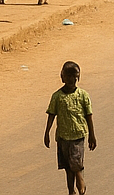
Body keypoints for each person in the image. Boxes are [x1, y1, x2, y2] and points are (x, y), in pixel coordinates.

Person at [44, 60, 96, 195]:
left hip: (78, 136)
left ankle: (80, 184)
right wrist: (47, 132)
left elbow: (89, 115)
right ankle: (70, 191)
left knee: (76, 164)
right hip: (62, 137)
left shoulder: (83, 95)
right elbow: (51, 115)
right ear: (62, 77)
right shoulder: (57, 97)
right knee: (67, 167)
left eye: (74, 77)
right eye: (68, 77)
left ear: (78, 77)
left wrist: (92, 134)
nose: (71, 80)